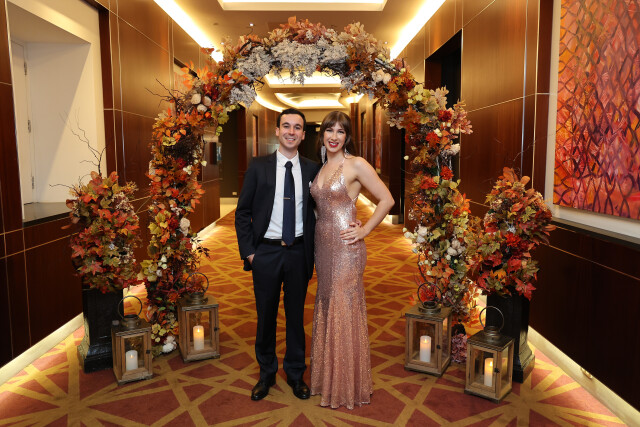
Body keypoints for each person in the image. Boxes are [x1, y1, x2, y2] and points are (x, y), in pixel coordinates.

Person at [309, 111, 394, 409]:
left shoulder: (355, 164)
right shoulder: (321, 166)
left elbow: (387, 199)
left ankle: (346, 386)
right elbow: (320, 209)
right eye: (329, 130)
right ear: (322, 134)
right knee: (327, 304)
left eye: (340, 131)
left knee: (343, 309)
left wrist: (365, 229)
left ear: (347, 137)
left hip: (347, 249)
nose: (334, 136)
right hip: (322, 248)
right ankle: (328, 380)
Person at [235, 108, 321, 401]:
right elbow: (242, 212)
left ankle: (296, 375)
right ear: (277, 131)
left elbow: (324, 208)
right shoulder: (258, 166)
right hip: (266, 253)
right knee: (266, 316)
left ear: (304, 134)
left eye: (297, 127)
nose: (291, 132)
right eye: (286, 126)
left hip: (298, 252)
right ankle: (266, 373)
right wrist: (250, 253)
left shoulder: (312, 169)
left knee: (296, 317)